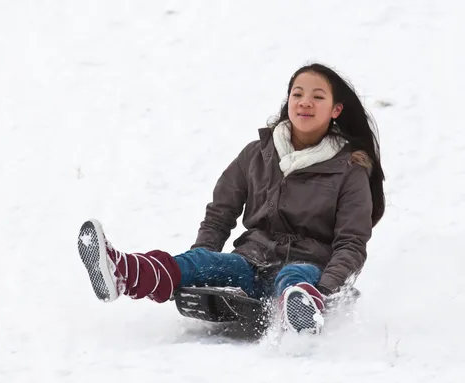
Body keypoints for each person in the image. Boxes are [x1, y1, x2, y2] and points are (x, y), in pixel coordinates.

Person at [77, 63, 385, 334]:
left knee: (294, 276)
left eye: (318, 96)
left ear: (336, 110)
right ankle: (123, 273)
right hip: (250, 263)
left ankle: (301, 310)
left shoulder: (349, 169)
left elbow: (351, 244)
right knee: (200, 260)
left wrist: (328, 289)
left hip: (310, 270)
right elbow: (220, 213)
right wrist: (198, 271)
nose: (305, 102)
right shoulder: (257, 154)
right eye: (297, 94)